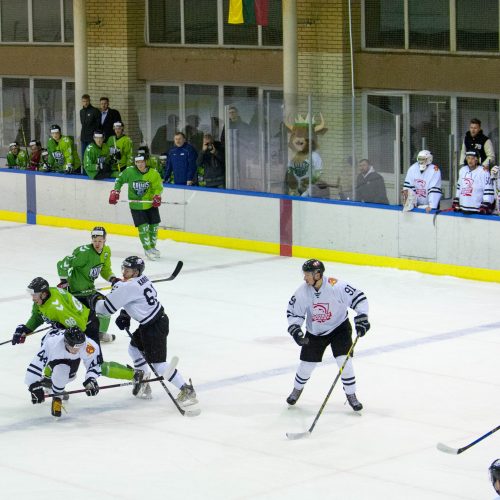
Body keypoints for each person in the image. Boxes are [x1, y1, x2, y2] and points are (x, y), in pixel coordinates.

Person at [94, 256, 198, 404]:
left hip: (154, 327)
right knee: (134, 349)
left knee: (159, 364)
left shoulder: (128, 286)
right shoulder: (142, 279)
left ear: (136, 272)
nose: (124, 272)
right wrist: (125, 313)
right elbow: (136, 299)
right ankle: (143, 381)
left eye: (128, 270)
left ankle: (186, 389)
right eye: (124, 269)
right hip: (153, 322)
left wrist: (92, 301)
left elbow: (105, 309)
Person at [285, 259, 370, 411]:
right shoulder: (302, 292)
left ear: (317, 274)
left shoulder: (336, 286)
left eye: (307, 275)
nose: (305, 278)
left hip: (340, 328)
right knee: (306, 365)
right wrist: (296, 330)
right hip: (315, 332)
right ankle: (297, 390)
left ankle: (351, 395)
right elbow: (294, 313)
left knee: (345, 361)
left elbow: (359, 298)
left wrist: (362, 317)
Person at [56, 226, 120, 343]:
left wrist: (113, 279)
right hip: (75, 293)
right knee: (81, 320)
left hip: (90, 291)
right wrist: (64, 281)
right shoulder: (83, 253)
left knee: (106, 306)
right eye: (94, 241)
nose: (97, 243)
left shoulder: (106, 251)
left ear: (105, 240)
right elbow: (62, 264)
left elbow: (105, 270)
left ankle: (100, 333)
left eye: (100, 241)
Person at [25, 326, 101, 418]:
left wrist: (91, 379)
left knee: (69, 377)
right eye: (72, 347)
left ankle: (54, 386)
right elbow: (36, 364)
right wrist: (34, 385)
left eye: (78, 347)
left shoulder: (89, 345)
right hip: (55, 356)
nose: (75, 350)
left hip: (72, 360)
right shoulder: (52, 344)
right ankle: (57, 396)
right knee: (61, 372)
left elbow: (94, 364)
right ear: (65, 342)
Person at [12, 277, 101, 347]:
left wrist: (62, 326)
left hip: (88, 325)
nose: (33, 298)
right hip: (79, 321)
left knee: (93, 360)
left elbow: (80, 325)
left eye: (35, 295)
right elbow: (38, 316)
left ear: (44, 294)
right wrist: (26, 329)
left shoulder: (56, 308)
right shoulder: (44, 298)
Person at [109, 152, 164, 261]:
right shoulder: (130, 171)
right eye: (137, 162)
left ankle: (152, 247)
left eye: (142, 162)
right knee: (143, 228)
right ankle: (147, 249)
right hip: (136, 206)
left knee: (154, 227)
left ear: (146, 162)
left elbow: (158, 186)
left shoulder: (153, 173)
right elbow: (119, 180)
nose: (139, 164)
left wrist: (157, 196)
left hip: (150, 204)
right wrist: (116, 191)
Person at [453, 150, 495, 214]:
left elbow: (488, 189)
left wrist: (486, 204)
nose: (470, 161)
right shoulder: (462, 170)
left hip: (478, 210)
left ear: (477, 160)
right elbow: (459, 187)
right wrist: (456, 200)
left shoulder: (484, 172)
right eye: (468, 158)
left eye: (473, 158)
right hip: (463, 208)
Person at [80, 94, 101, 160]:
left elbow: (98, 125)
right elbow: (83, 124)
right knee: (84, 157)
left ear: (89, 101)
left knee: (91, 157)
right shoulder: (81, 111)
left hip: (92, 139)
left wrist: (95, 137)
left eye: (87, 101)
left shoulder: (95, 111)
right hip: (83, 138)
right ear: (82, 102)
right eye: (84, 101)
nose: (85, 103)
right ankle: (84, 170)